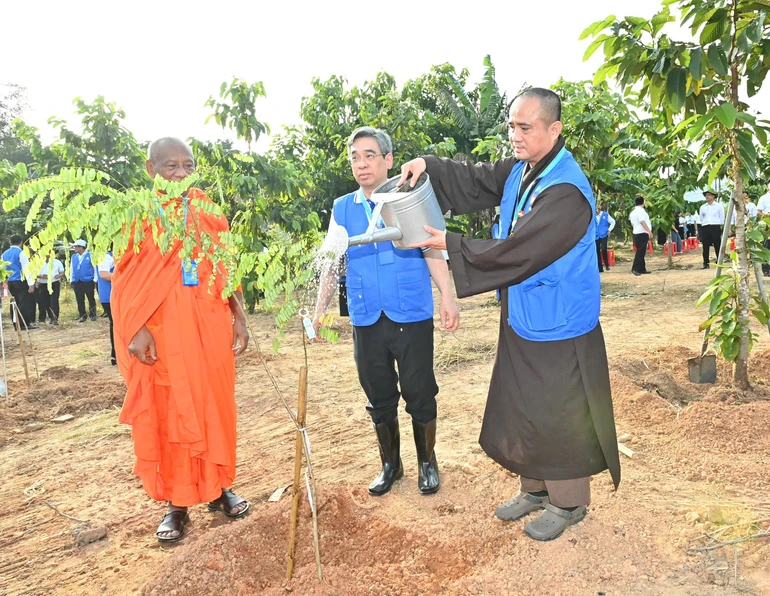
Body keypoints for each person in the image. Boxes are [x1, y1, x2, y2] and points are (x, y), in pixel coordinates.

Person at [398, 88, 620, 542]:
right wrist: (430, 166)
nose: (514, 136)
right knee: (523, 404)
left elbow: (521, 251)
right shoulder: (524, 170)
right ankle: (535, 489)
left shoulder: (566, 193)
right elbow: (478, 178)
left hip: (559, 325)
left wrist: (452, 244)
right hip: (524, 315)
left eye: (525, 127)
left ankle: (569, 501)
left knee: (560, 411)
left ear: (553, 130)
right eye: (511, 126)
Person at [112, 137, 250, 543]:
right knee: (171, 411)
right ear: (150, 169)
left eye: (188, 166)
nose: (181, 174)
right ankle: (176, 503)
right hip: (162, 334)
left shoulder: (206, 209)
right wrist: (135, 328)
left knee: (213, 405)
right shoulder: (138, 214)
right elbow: (125, 281)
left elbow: (226, 266)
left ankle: (219, 488)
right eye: (171, 166)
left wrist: (238, 316)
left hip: (208, 329)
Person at [313, 126, 460, 497]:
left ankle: (428, 463)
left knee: (419, 390)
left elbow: (431, 248)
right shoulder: (343, 208)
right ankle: (390, 466)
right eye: (354, 158)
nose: (361, 165)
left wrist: (447, 296)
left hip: (409, 313)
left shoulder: (404, 198)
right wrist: (320, 309)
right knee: (378, 394)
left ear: (388, 160)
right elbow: (330, 262)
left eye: (369, 156)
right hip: (366, 317)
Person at [2, 235, 38, 329]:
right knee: (24, 302)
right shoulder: (21, 253)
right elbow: (26, 269)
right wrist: (31, 284)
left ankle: (15, 323)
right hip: (20, 281)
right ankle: (23, 324)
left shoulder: (4, 253)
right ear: (21, 242)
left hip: (10, 281)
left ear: (10, 242)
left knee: (14, 302)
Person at [69, 239, 98, 322]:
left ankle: (93, 314)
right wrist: (71, 279)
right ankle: (82, 315)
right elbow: (72, 269)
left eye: (76, 246)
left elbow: (94, 267)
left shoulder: (90, 255)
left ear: (81, 247)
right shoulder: (74, 257)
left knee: (90, 298)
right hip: (77, 281)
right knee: (79, 299)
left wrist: (95, 279)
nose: (74, 248)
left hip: (88, 280)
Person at [97, 251, 116, 365]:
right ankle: (115, 355)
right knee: (116, 325)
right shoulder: (106, 256)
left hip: (112, 296)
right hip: (109, 296)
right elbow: (104, 274)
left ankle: (116, 355)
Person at [35, 253, 65, 325]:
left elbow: (62, 272)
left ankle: (54, 318)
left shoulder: (57, 262)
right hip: (43, 283)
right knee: (44, 301)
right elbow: (34, 273)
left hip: (54, 283)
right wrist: (41, 276)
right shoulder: (39, 262)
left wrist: (59, 276)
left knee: (54, 301)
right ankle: (44, 318)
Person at [699, 190, 724, 269]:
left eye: (709, 195)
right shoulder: (703, 207)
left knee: (717, 245)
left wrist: (720, 226)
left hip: (715, 226)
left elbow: (722, 217)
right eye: (706, 195)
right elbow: (701, 218)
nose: (707, 197)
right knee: (705, 246)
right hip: (705, 227)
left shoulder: (719, 206)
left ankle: (719, 261)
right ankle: (706, 263)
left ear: (713, 196)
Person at [629, 196, 652, 275]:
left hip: (636, 232)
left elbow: (632, 223)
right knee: (640, 252)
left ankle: (642, 268)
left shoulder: (633, 212)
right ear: (643, 202)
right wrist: (649, 231)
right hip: (642, 233)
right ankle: (635, 269)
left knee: (641, 251)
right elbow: (642, 222)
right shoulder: (641, 211)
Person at [595, 205, 615, 272]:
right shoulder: (592, 216)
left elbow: (613, 222)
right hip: (596, 235)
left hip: (604, 234)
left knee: (604, 249)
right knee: (597, 251)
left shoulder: (605, 215)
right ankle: (600, 268)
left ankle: (606, 264)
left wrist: (609, 230)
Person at [757, 180, 770, 276]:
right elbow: (759, 211)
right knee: (767, 247)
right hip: (767, 225)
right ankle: (766, 269)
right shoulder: (764, 198)